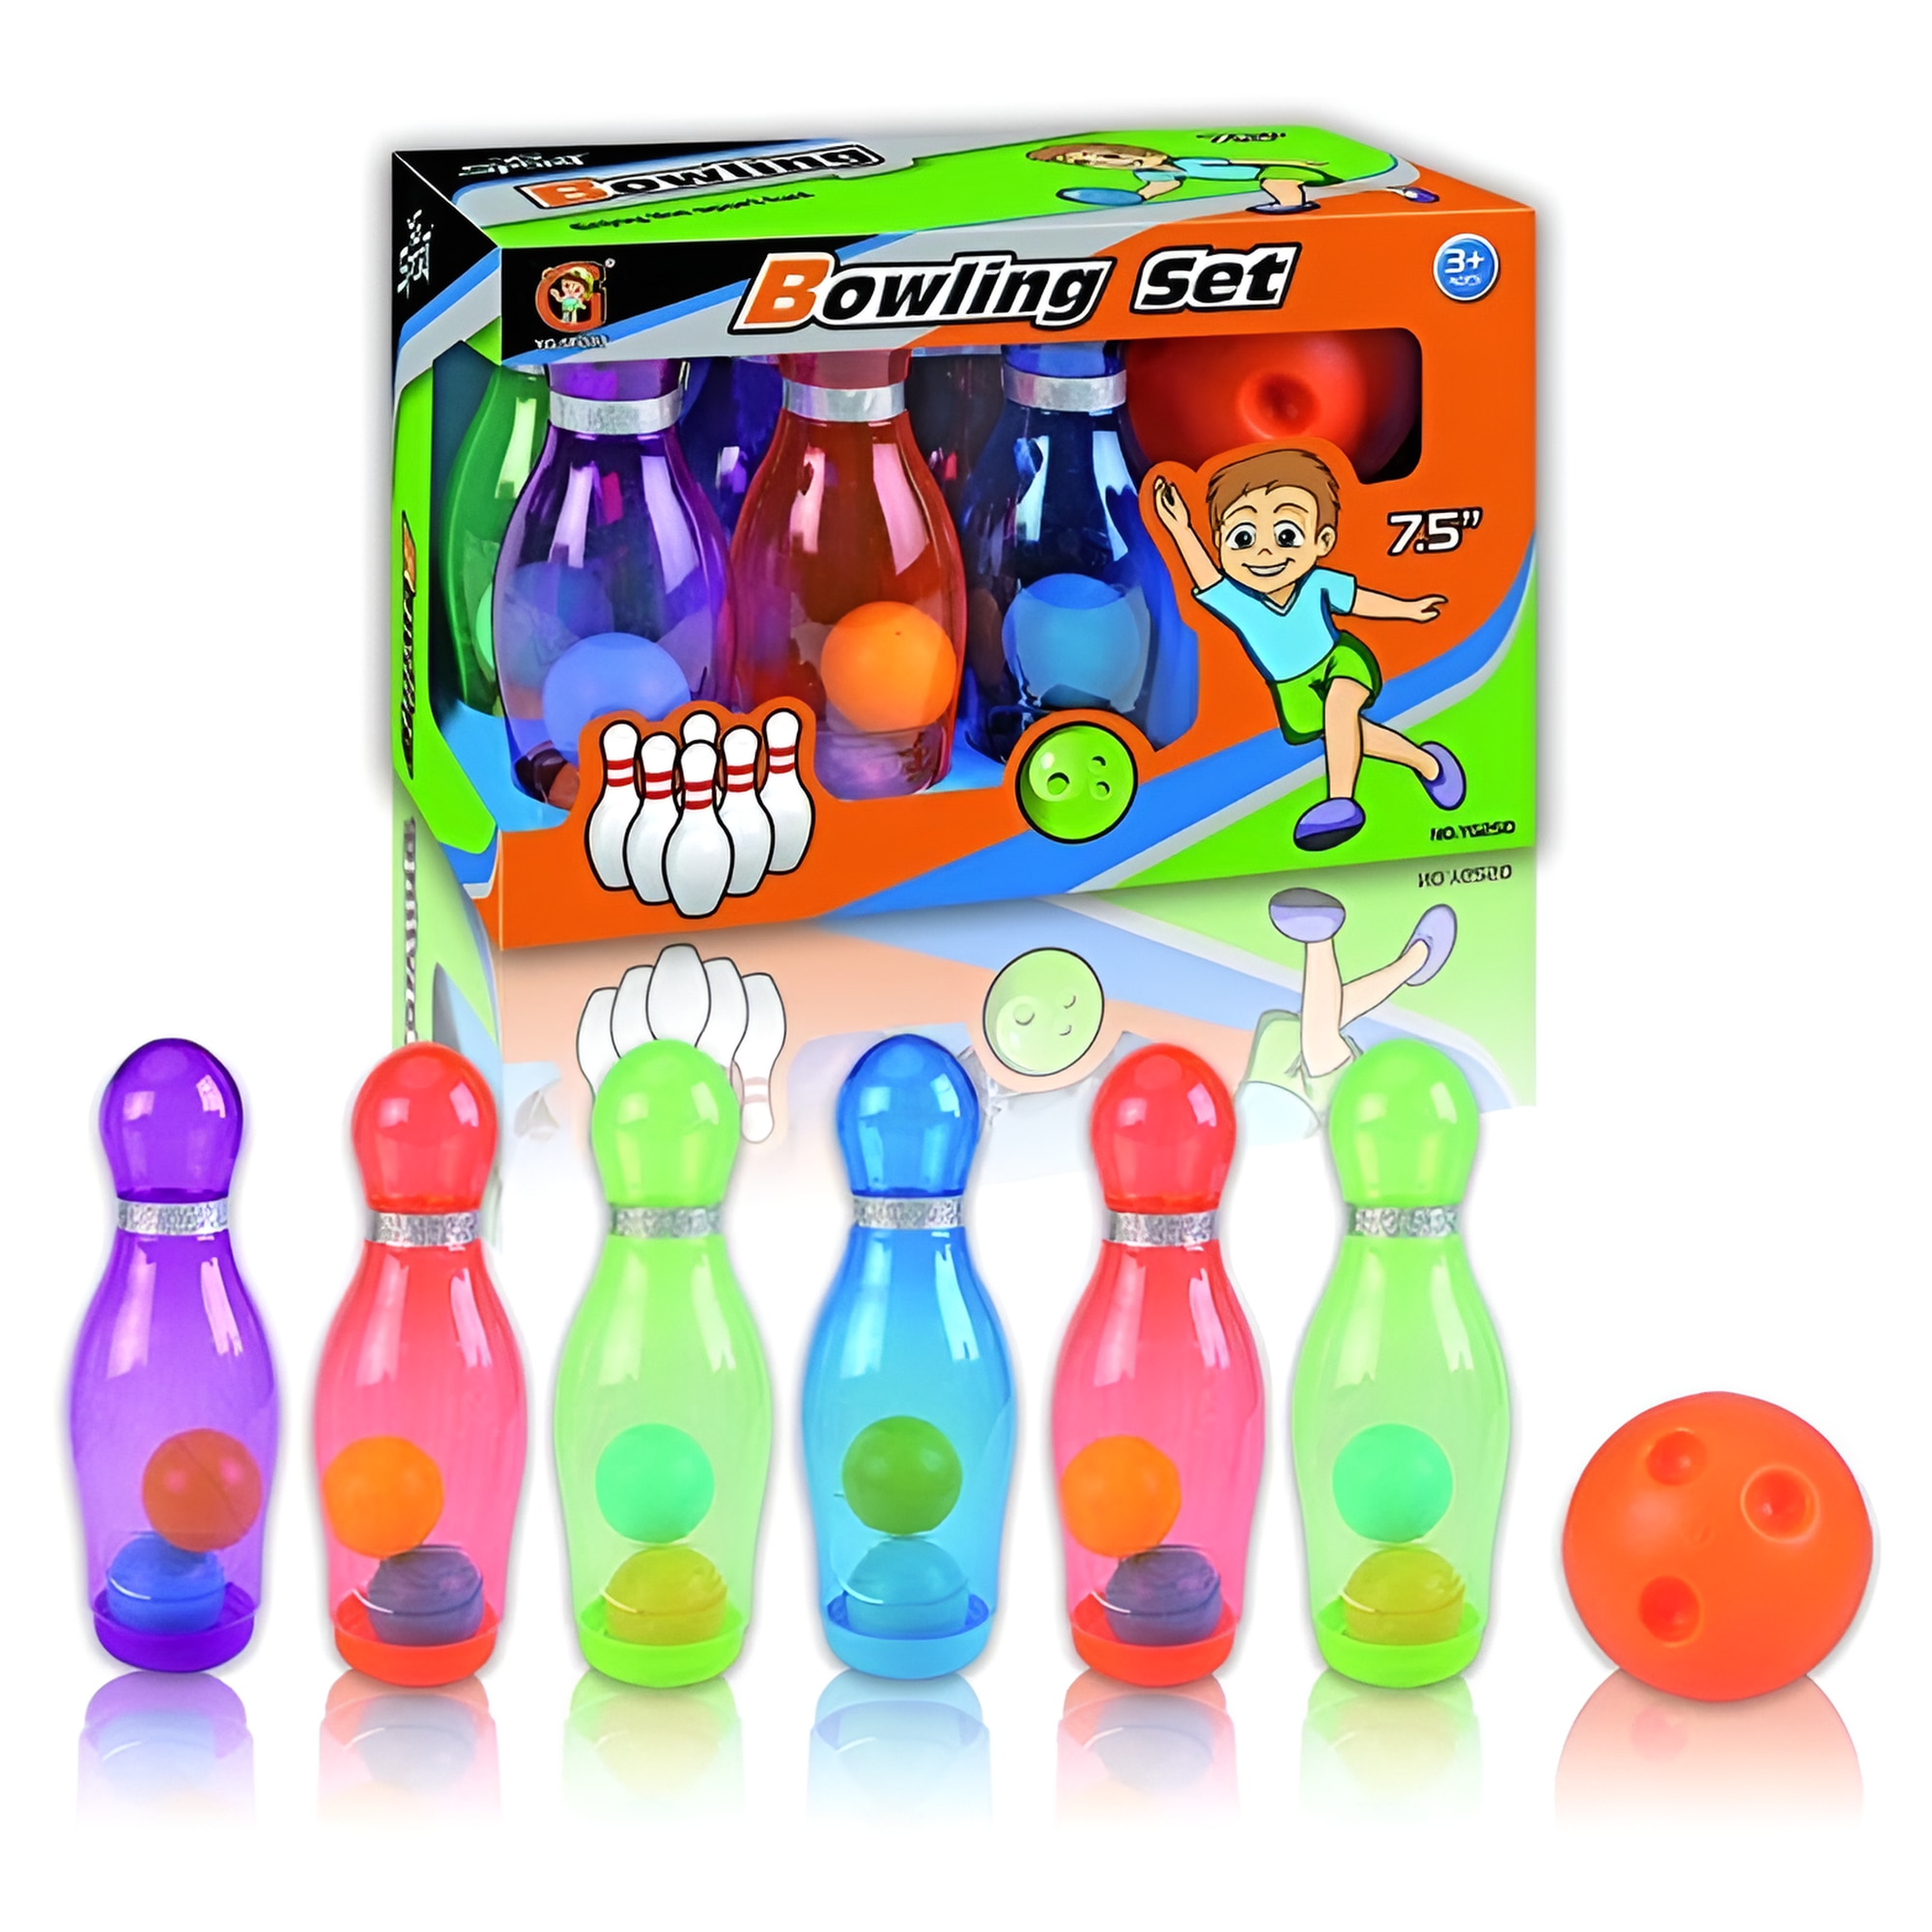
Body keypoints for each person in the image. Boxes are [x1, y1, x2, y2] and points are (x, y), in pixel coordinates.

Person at [1152, 449, 1463, 852]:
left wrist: (1407, 609)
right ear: (1220, 544)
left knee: (1340, 709)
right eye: (1243, 537)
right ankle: (1429, 764)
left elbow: (1359, 600)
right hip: (1291, 687)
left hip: (1339, 661)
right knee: (1352, 734)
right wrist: (1179, 528)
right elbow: (1205, 574)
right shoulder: (1239, 603)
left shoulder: (1317, 584)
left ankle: (1341, 803)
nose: (1265, 553)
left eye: (1286, 535)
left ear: (1322, 540)